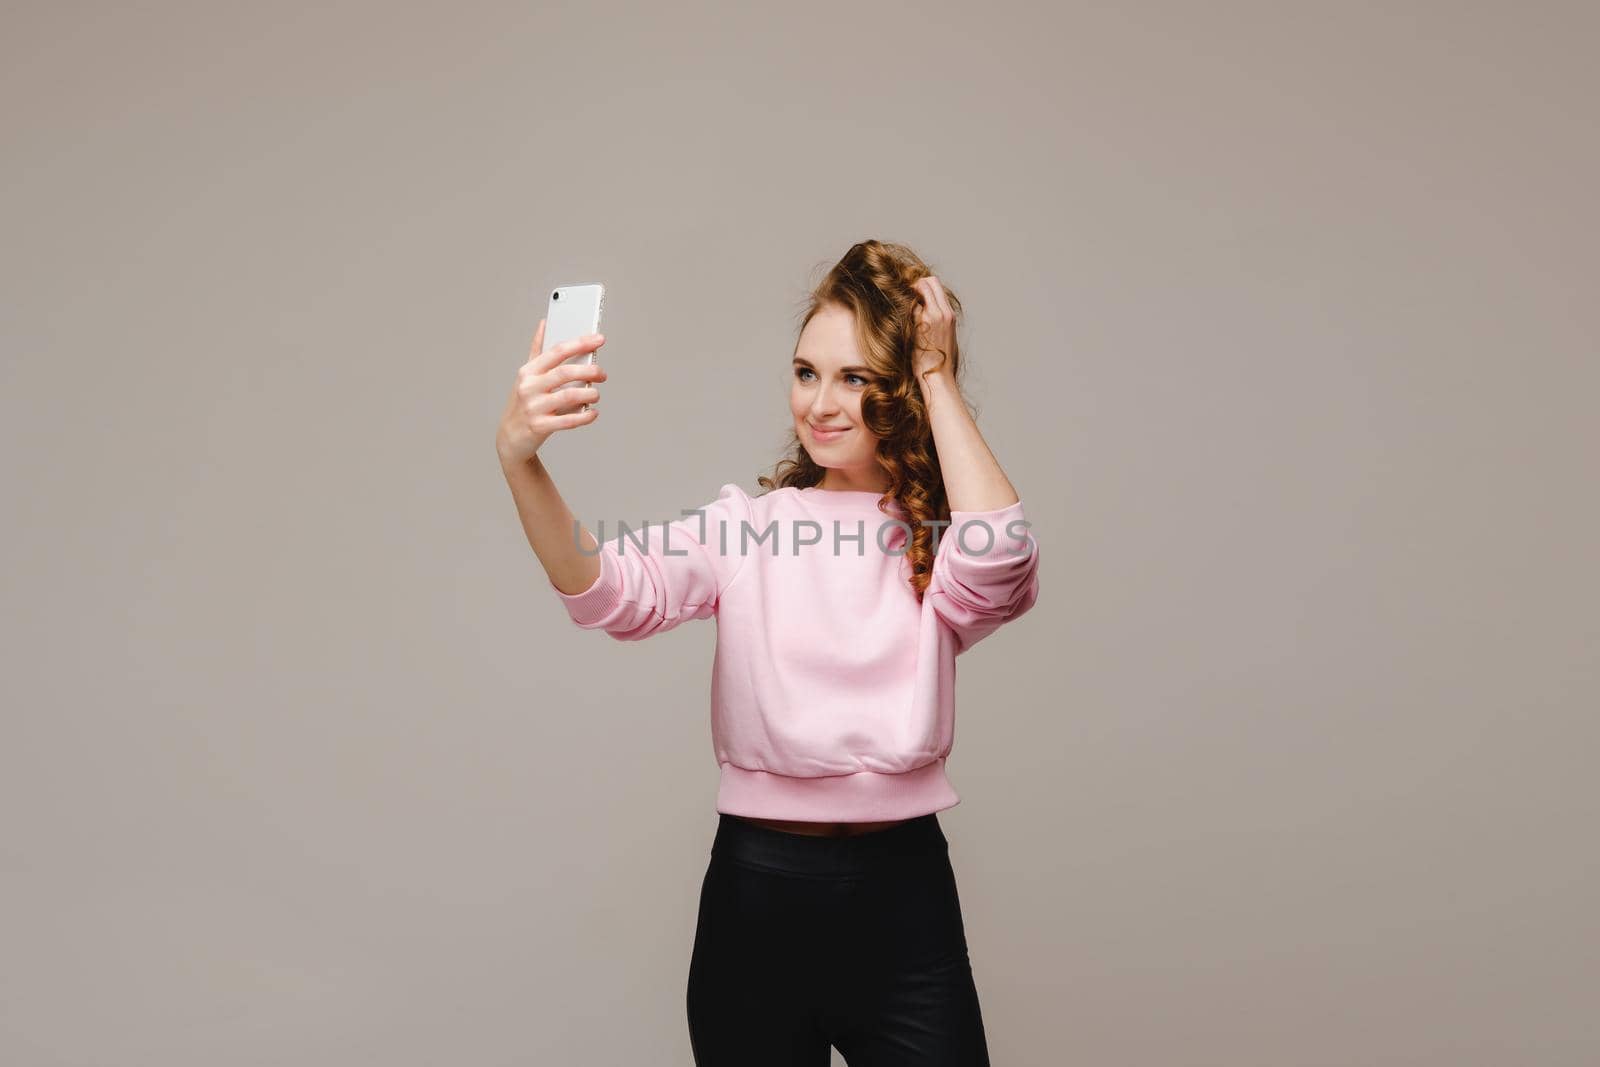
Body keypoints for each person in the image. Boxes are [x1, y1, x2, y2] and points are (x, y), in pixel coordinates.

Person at [495, 239, 1040, 1065]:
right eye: (806, 371)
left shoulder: (938, 536)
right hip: (758, 903)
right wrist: (519, 458)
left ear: (900, 390)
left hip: (905, 898)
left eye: (856, 378)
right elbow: (607, 592)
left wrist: (938, 377)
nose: (820, 403)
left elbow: (1002, 560)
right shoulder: (745, 530)